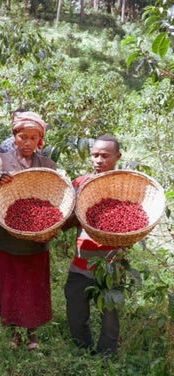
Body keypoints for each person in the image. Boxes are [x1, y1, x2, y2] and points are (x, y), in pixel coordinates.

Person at [0, 111, 56, 350]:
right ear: (14, 136)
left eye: (33, 138)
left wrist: (51, 226)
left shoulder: (48, 165)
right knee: (11, 284)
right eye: (22, 137)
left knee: (33, 285)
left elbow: (55, 197)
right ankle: (14, 332)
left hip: (37, 237)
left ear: (40, 139)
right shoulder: (1, 162)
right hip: (6, 234)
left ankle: (32, 333)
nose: (27, 142)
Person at [64, 135, 122, 358]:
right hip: (82, 259)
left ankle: (107, 356)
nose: (99, 160)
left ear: (117, 157)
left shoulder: (124, 185)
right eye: (95, 155)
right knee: (76, 307)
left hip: (111, 262)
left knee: (110, 312)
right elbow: (67, 220)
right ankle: (82, 349)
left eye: (105, 156)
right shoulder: (80, 183)